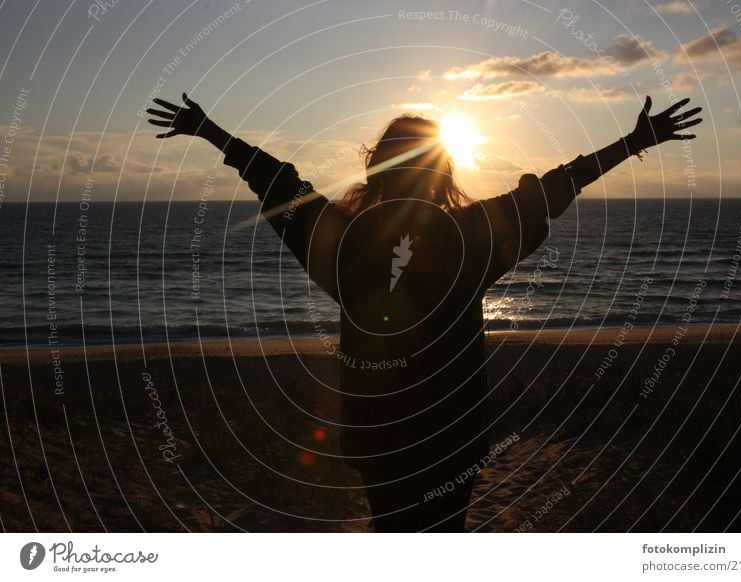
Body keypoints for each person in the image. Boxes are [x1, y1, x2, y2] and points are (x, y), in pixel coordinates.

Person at [148, 93, 702, 531]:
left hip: (381, 435)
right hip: (449, 436)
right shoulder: (471, 237)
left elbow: (281, 186)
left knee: (394, 532)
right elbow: (551, 191)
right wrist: (632, 142)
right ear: (443, 172)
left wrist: (211, 132)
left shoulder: (342, 241)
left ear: (376, 170)